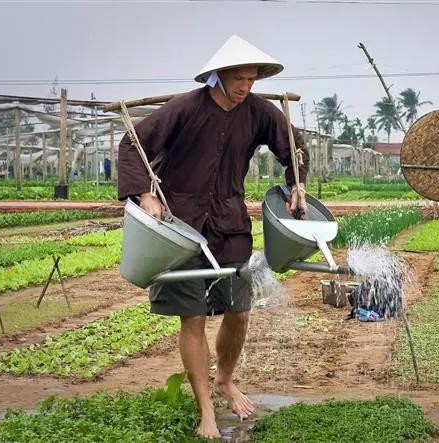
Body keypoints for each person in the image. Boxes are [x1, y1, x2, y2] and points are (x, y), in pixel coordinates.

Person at [117, 35, 309, 440]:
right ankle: (205, 408)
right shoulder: (184, 108)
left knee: (239, 310)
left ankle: (225, 380)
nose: (245, 86)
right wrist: (147, 194)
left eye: (252, 79)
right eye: (238, 78)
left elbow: (295, 147)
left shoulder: (259, 112)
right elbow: (131, 146)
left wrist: (297, 184)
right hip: (180, 226)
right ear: (219, 77)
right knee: (194, 317)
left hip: (229, 221)